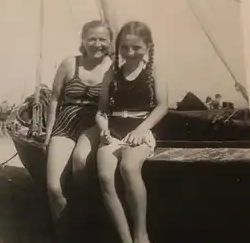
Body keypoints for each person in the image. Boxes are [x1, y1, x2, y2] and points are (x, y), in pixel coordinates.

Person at [95, 21, 168, 243]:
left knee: (128, 167)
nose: (130, 52)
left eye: (136, 47)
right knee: (105, 176)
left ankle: (141, 234)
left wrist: (141, 129)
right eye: (125, 47)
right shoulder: (111, 74)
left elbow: (163, 106)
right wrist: (104, 130)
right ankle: (125, 239)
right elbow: (101, 110)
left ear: (148, 47)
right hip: (113, 131)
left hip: (140, 131)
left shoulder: (153, 72)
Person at [44, 20, 113, 240]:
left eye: (103, 39)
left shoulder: (113, 67)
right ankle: (64, 235)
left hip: (93, 123)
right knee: (54, 188)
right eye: (92, 38)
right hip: (65, 123)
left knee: (80, 161)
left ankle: (84, 220)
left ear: (110, 42)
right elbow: (55, 98)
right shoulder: (69, 64)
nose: (97, 44)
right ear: (82, 40)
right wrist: (48, 132)